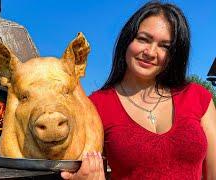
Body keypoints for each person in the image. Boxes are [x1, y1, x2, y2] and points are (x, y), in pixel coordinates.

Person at [61, 1, 216, 179]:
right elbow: (79, 168)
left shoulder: (198, 97)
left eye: (164, 46)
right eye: (143, 39)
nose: (150, 52)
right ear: (127, 40)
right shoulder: (96, 106)